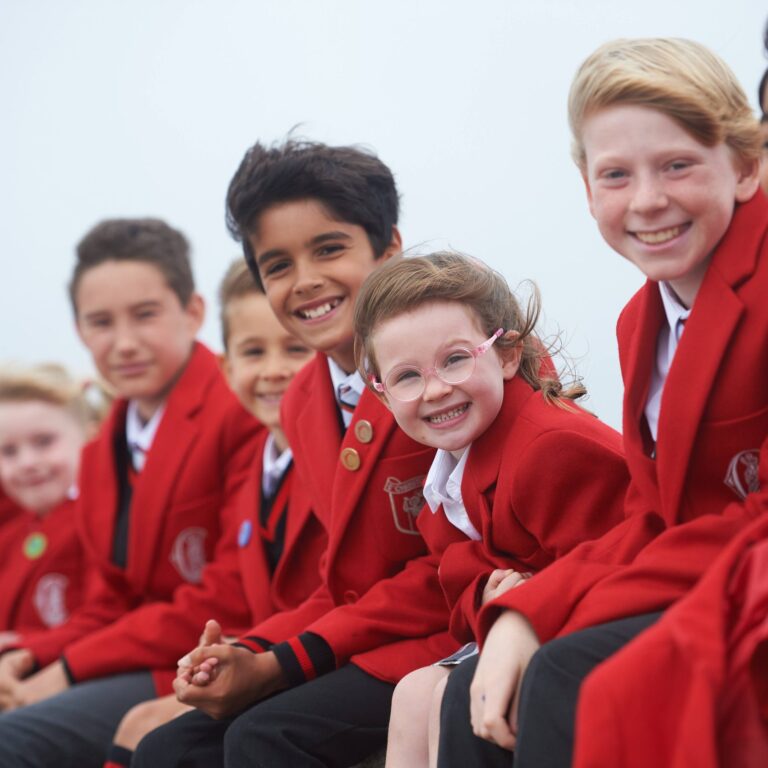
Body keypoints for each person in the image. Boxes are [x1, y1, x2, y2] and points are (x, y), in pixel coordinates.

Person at [436, 37, 766, 768]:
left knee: (563, 671)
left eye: (677, 165)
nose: (647, 199)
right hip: (701, 571)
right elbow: (651, 515)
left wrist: (543, 616)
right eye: (616, 174)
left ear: (744, 167)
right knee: (477, 684)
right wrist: (523, 612)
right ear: (588, 190)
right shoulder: (637, 323)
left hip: (751, 581)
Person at [133, 139, 439, 768]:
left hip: (448, 630)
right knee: (166, 748)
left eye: (329, 249)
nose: (305, 282)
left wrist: (283, 663)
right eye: (276, 265)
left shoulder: (450, 361)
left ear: (389, 250)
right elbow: (343, 585)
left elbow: (454, 567)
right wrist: (245, 651)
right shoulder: (306, 398)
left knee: (268, 736)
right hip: (369, 636)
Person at [345, 252, 628, 768]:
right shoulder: (455, 460)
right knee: (412, 693)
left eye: (455, 359)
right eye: (407, 377)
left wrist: (519, 600)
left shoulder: (550, 447)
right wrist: (486, 593)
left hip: (598, 632)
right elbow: (457, 578)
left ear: (506, 356)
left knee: (455, 696)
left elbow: (617, 564)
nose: (435, 390)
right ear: (383, 397)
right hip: (528, 621)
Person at [0, 218, 262, 767]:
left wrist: (67, 670)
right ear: (78, 331)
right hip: (133, 656)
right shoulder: (99, 452)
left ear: (192, 312)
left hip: (212, 656)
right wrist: (31, 654)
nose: (123, 343)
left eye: (145, 315)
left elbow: (228, 595)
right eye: (100, 322)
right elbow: (108, 602)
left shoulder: (239, 409)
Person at [102, 260, 325, 768]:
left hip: (313, 657)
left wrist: (251, 653)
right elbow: (231, 587)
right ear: (226, 368)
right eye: (253, 352)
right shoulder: (253, 468)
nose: (273, 370)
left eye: (295, 349)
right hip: (257, 650)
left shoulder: (336, 458)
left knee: (159, 735)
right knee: (143, 726)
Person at [0, 364, 90, 641]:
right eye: (9, 451)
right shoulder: (14, 531)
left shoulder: (98, 525)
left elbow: (106, 620)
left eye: (44, 442)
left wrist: (22, 645)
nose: (27, 463)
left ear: (90, 435)